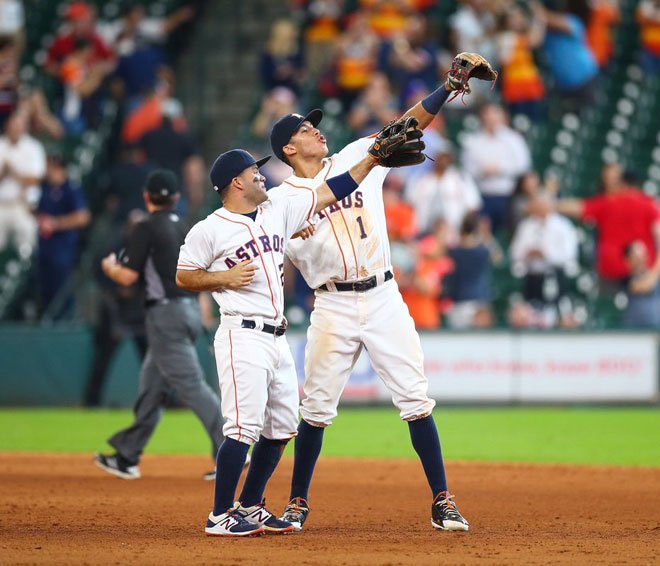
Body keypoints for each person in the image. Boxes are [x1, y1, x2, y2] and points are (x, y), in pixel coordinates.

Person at [270, 57, 483, 533]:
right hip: (331, 304)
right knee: (316, 409)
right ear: (288, 147)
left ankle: (442, 499)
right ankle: (298, 502)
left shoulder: (352, 157)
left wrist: (447, 88)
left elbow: (406, 125)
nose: (317, 131)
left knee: (416, 398)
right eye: (306, 129)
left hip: (384, 296)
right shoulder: (282, 202)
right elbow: (265, 250)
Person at [176, 135, 402, 535]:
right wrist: (222, 278)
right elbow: (184, 275)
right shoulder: (209, 229)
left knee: (281, 426)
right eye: (253, 172)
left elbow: (334, 190)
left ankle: (250, 504)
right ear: (236, 183)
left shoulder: (277, 210)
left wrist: (372, 160)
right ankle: (219, 515)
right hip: (241, 334)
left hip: (276, 337)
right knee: (242, 427)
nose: (262, 175)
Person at [94, 170, 225, 481]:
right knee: (152, 387)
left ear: (146, 197)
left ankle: (230, 449)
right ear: (176, 198)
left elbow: (128, 277)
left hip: (165, 315)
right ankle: (127, 456)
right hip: (189, 310)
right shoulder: (185, 226)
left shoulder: (145, 227)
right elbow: (199, 270)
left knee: (192, 386)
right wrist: (203, 308)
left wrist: (110, 268)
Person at [557, 162, 660, 293]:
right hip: (630, 276)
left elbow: (576, 207)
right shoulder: (648, 204)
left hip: (624, 275)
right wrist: (655, 276)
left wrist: (548, 203)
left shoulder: (612, 202)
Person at [508, 193, 579, 329]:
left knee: (557, 313)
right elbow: (515, 253)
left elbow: (569, 255)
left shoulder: (563, 226)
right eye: (537, 205)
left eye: (543, 205)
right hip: (532, 277)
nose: (540, 209)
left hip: (555, 276)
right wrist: (528, 253)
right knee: (530, 314)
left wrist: (546, 254)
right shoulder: (526, 226)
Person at [460, 103, 531, 232]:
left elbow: (523, 166)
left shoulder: (514, 139)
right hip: (482, 195)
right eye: (487, 114)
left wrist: (500, 169)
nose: (491, 118)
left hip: (508, 196)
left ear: (502, 116)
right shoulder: (474, 141)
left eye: (495, 113)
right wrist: (481, 171)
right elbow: (466, 170)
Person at [36, 155, 90, 315]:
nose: (48, 172)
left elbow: (83, 217)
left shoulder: (71, 189)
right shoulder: (45, 189)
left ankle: (64, 322)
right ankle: (47, 321)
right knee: (46, 287)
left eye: (51, 168)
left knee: (62, 288)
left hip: (63, 246)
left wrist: (56, 223)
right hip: (45, 245)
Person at [405, 144, 481, 242]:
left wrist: (464, 232)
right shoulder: (421, 178)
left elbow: (472, 205)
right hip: (423, 230)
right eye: (441, 157)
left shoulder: (461, 179)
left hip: (453, 233)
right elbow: (409, 203)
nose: (443, 161)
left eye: (446, 158)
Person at [0, 112, 46, 256]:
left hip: (23, 206)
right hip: (1, 204)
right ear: (7, 126)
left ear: (25, 128)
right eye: (13, 125)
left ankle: (24, 270)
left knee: (27, 234)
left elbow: (37, 179)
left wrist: (13, 173)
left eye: (19, 126)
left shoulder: (33, 148)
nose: (15, 129)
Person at [541, 3, 599, 113]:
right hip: (563, 86)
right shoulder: (546, 31)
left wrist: (534, 7)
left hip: (585, 80)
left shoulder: (574, 21)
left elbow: (550, 20)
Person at [444, 212, 494, 329]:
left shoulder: (453, 252)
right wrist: (484, 235)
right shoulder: (482, 251)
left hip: (459, 303)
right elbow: (497, 257)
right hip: (478, 302)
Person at [623, 240, 660, 329]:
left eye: (643, 255)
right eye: (636, 256)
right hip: (635, 330)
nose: (641, 259)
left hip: (656, 327)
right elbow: (644, 286)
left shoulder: (656, 277)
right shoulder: (626, 278)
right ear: (628, 259)